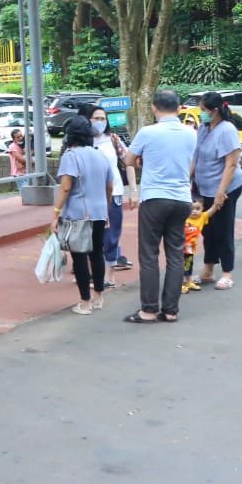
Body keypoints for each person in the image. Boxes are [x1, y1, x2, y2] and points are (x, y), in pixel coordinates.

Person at [125, 88, 197, 323]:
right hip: (182, 199)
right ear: (178, 108)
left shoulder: (148, 132)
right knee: (175, 254)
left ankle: (148, 309)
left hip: (155, 198)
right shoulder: (190, 133)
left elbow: (128, 160)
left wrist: (143, 163)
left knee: (149, 254)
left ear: (154, 107)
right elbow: (192, 164)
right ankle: (170, 310)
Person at [50, 116, 112, 315]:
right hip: (100, 211)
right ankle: (99, 296)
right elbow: (109, 186)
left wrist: (56, 213)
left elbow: (66, 187)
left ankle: (85, 302)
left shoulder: (71, 156)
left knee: (79, 256)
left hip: (78, 214)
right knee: (97, 253)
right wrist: (106, 208)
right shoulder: (100, 155)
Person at [191, 91, 242, 291]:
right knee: (207, 229)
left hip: (226, 186)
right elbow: (196, 158)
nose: (201, 113)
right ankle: (208, 270)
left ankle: (227, 273)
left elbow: (231, 165)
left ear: (214, 111)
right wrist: (188, 180)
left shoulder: (227, 130)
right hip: (204, 187)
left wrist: (220, 194)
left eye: (203, 110)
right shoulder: (204, 128)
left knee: (223, 229)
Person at [85, 104, 138, 285]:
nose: (100, 122)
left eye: (103, 118)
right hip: (89, 197)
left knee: (111, 235)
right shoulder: (84, 141)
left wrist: (133, 190)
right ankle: (96, 273)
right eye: (96, 118)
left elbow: (128, 162)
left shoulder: (113, 139)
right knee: (92, 237)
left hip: (113, 194)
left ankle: (109, 275)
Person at [182, 199, 216, 294]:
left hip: (189, 248)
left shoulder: (201, 217)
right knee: (177, 265)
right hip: (178, 247)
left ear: (202, 209)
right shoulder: (182, 217)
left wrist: (219, 199)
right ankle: (176, 285)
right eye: (191, 208)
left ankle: (188, 283)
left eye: (198, 208)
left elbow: (213, 209)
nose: (194, 211)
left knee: (188, 265)